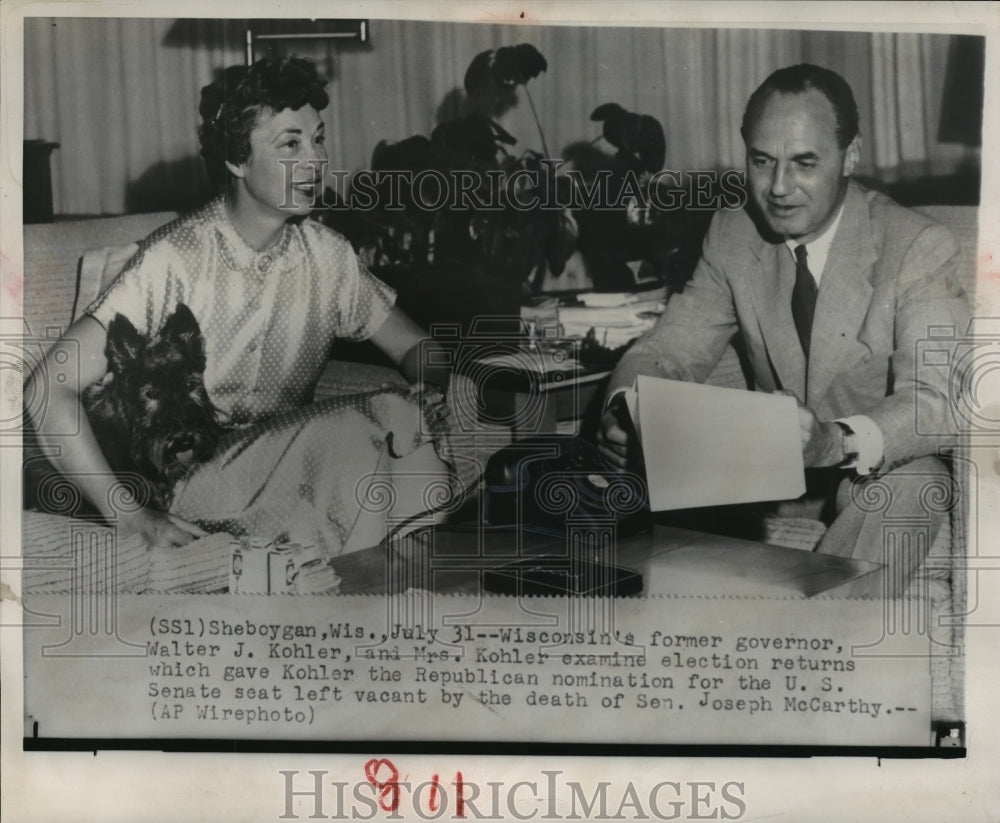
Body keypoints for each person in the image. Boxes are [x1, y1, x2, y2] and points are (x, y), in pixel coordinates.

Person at [26, 56, 455, 556]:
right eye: (290, 143)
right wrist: (130, 515)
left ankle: (368, 601)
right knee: (372, 422)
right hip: (185, 479)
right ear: (237, 160)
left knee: (412, 466)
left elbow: (417, 346)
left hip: (285, 471)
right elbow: (45, 390)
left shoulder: (328, 255)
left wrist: (431, 389)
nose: (316, 161)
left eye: (318, 138)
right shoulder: (175, 259)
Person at [598, 64, 971, 594]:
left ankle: (810, 647)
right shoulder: (732, 233)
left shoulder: (917, 245)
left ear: (852, 155)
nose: (777, 187)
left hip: (862, 476)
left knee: (919, 480)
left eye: (804, 163)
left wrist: (831, 443)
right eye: (761, 161)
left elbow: (936, 403)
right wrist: (625, 408)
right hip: (757, 476)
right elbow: (670, 346)